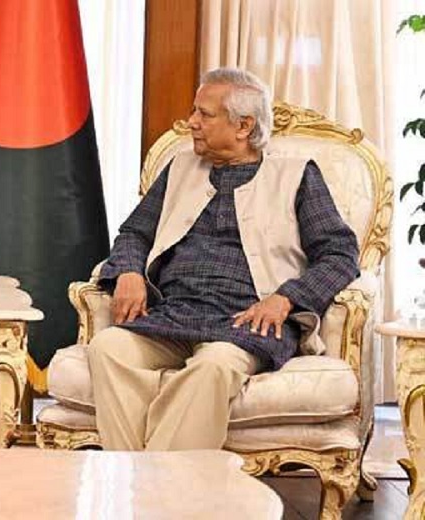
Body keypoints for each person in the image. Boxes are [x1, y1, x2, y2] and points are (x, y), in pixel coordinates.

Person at [87, 67, 359, 452]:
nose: (191, 123)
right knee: (107, 348)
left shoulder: (296, 175)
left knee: (212, 366)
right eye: (194, 111)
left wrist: (286, 299)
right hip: (173, 313)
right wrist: (129, 272)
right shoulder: (179, 168)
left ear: (244, 126)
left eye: (204, 114)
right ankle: (140, 473)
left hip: (248, 321)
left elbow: (340, 254)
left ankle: (150, 481)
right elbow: (135, 233)